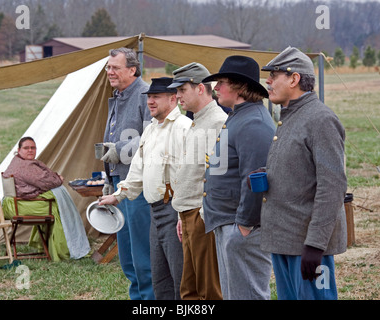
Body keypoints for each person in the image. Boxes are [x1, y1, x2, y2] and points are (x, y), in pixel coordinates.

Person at [259, 46, 347, 300]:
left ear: (294, 79)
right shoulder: (288, 116)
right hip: (284, 240)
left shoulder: (321, 119)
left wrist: (316, 244)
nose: (268, 81)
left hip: (306, 244)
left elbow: (332, 187)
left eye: (274, 75)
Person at [100, 77, 191, 300]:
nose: (150, 102)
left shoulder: (184, 128)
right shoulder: (150, 130)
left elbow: (190, 176)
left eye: (156, 97)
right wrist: (118, 195)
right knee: (159, 276)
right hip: (155, 211)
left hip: (175, 211)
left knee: (180, 276)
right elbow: (137, 171)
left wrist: (182, 214)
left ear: (173, 99)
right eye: (149, 97)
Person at [201, 56, 275, 300]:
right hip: (230, 223)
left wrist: (244, 226)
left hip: (242, 227)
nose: (216, 88)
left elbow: (257, 178)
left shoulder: (253, 122)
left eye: (222, 82)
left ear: (241, 87)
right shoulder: (240, 115)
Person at [167, 62, 227, 300]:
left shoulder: (217, 122)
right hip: (189, 213)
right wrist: (181, 214)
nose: (178, 96)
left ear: (200, 89)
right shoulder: (198, 120)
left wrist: (201, 213)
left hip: (202, 215)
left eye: (182, 90)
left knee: (209, 289)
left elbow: (218, 177)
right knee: (189, 289)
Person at [100, 47, 154, 300]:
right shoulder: (119, 95)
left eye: (115, 68)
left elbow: (151, 139)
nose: (109, 72)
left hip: (138, 187)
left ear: (132, 69)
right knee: (128, 257)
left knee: (142, 256)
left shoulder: (145, 95)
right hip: (120, 183)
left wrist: (119, 150)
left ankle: (150, 302)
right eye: (108, 67)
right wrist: (110, 180)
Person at [2, 136, 91, 262]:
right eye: (26, 148)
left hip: (13, 205)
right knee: (57, 208)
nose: (30, 150)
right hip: (18, 206)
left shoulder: (18, 161)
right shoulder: (25, 167)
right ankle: (64, 250)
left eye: (33, 148)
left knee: (56, 201)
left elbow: (43, 180)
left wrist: (53, 179)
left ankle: (49, 245)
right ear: (19, 150)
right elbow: (46, 182)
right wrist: (57, 178)